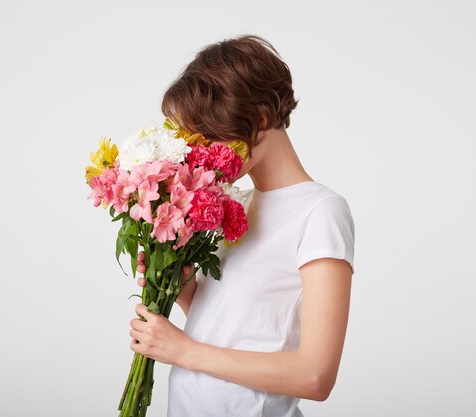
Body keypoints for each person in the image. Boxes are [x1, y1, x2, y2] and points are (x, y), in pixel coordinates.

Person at [128, 34, 355, 417]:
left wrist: (182, 351)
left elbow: (315, 376)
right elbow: (242, 327)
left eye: (211, 134)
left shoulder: (321, 212)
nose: (202, 152)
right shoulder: (237, 204)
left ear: (261, 118)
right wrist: (183, 290)